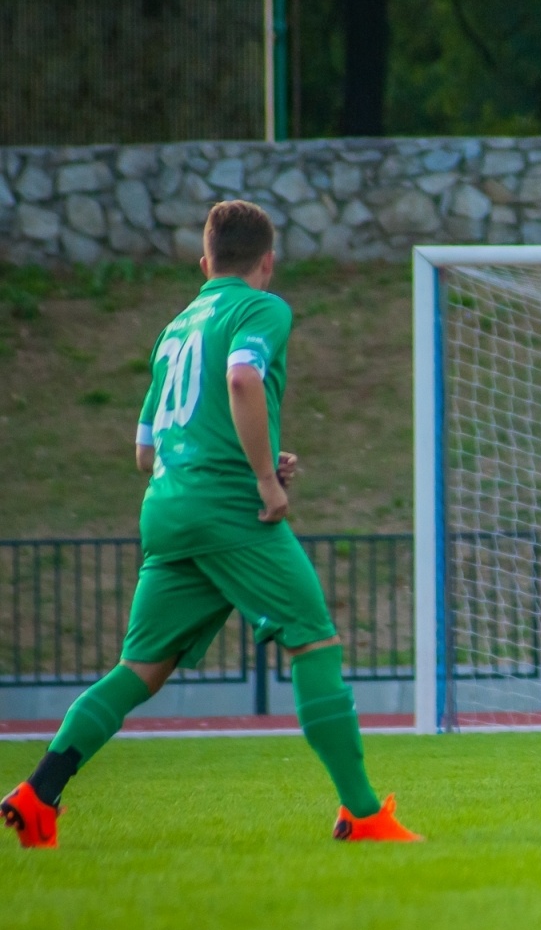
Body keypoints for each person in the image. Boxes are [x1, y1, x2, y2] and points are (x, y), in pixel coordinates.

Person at [1, 200, 420, 847]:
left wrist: (241, 453)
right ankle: (362, 814)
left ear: (205, 263)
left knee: (141, 668)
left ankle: (38, 793)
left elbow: (145, 449)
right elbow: (244, 380)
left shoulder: (176, 326)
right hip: (228, 509)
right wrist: (262, 479)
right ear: (268, 261)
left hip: (167, 508)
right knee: (313, 639)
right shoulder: (261, 308)